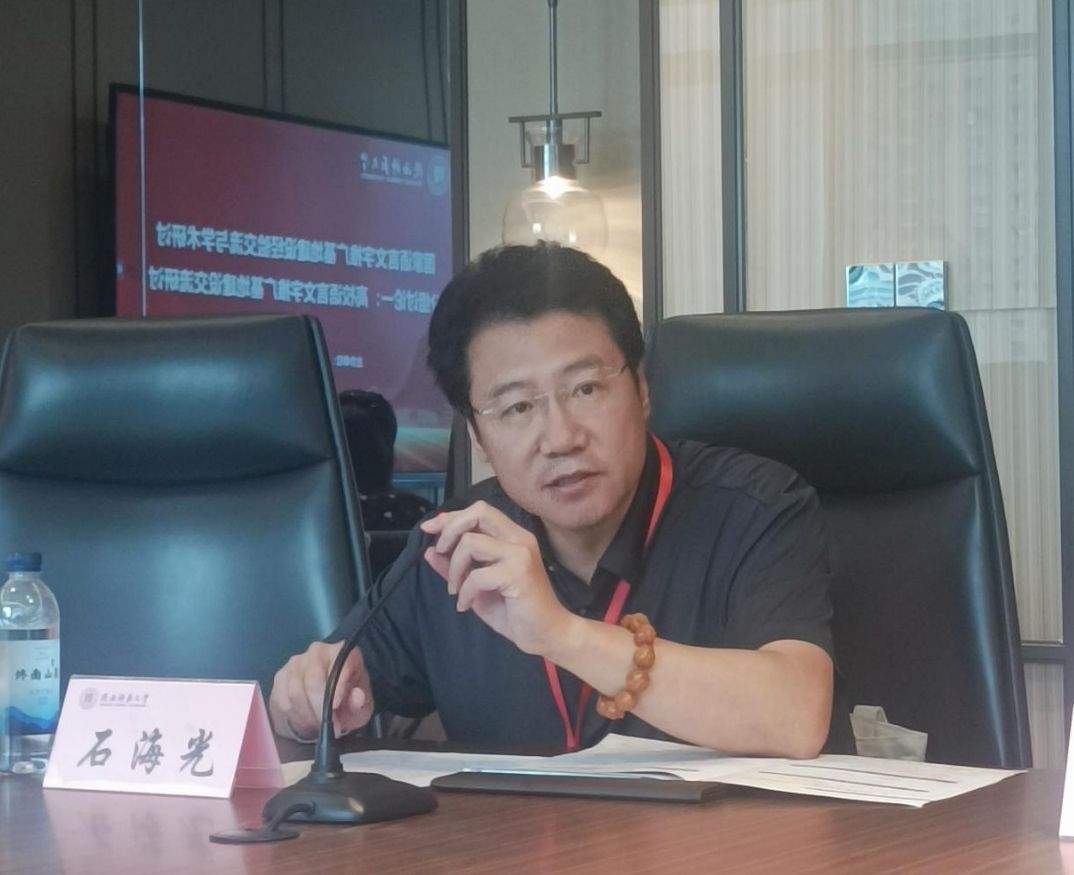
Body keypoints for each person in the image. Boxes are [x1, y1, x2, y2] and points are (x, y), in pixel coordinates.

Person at [271, 242, 844, 757]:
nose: (561, 438)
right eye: (518, 407)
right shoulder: (453, 546)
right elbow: (329, 689)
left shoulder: (755, 508)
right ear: (478, 437)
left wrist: (560, 634)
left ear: (642, 390)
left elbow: (796, 718)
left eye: (585, 388)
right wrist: (305, 701)